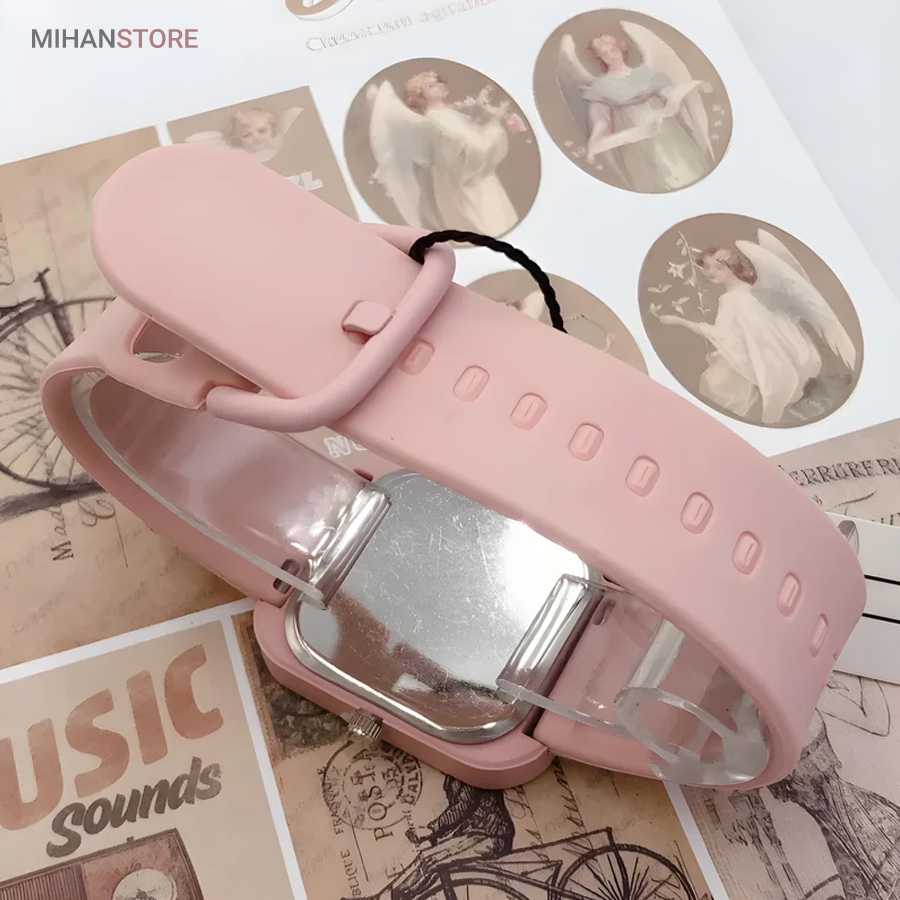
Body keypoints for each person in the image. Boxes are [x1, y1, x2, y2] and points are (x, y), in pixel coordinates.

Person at [654, 247, 827, 425]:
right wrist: (723, 353)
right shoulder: (752, 292)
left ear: (733, 267)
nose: (711, 272)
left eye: (719, 268)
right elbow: (744, 335)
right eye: (707, 267)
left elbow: (721, 335)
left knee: (713, 384)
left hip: (758, 361)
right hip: (766, 358)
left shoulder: (732, 300)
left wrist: (680, 321)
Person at [574, 32, 712, 191]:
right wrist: (595, 141)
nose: (611, 56)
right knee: (654, 177)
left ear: (621, 48)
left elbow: (669, 96)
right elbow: (601, 121)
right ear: (599, 58)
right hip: (634, 139)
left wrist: (680, 96)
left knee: (682, 167)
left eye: (613, 50)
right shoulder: (601, 86)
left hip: (665, 132)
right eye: (605, 54)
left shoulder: (644, 73)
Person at [349, 774, 514, 900]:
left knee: (430, 860)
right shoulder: (455, 773)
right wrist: (434, 837)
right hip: (474, 833)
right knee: (426, 857)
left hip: (490, 835)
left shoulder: (467, 772)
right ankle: (383, 897)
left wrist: (432, 830)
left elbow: (462, 808)